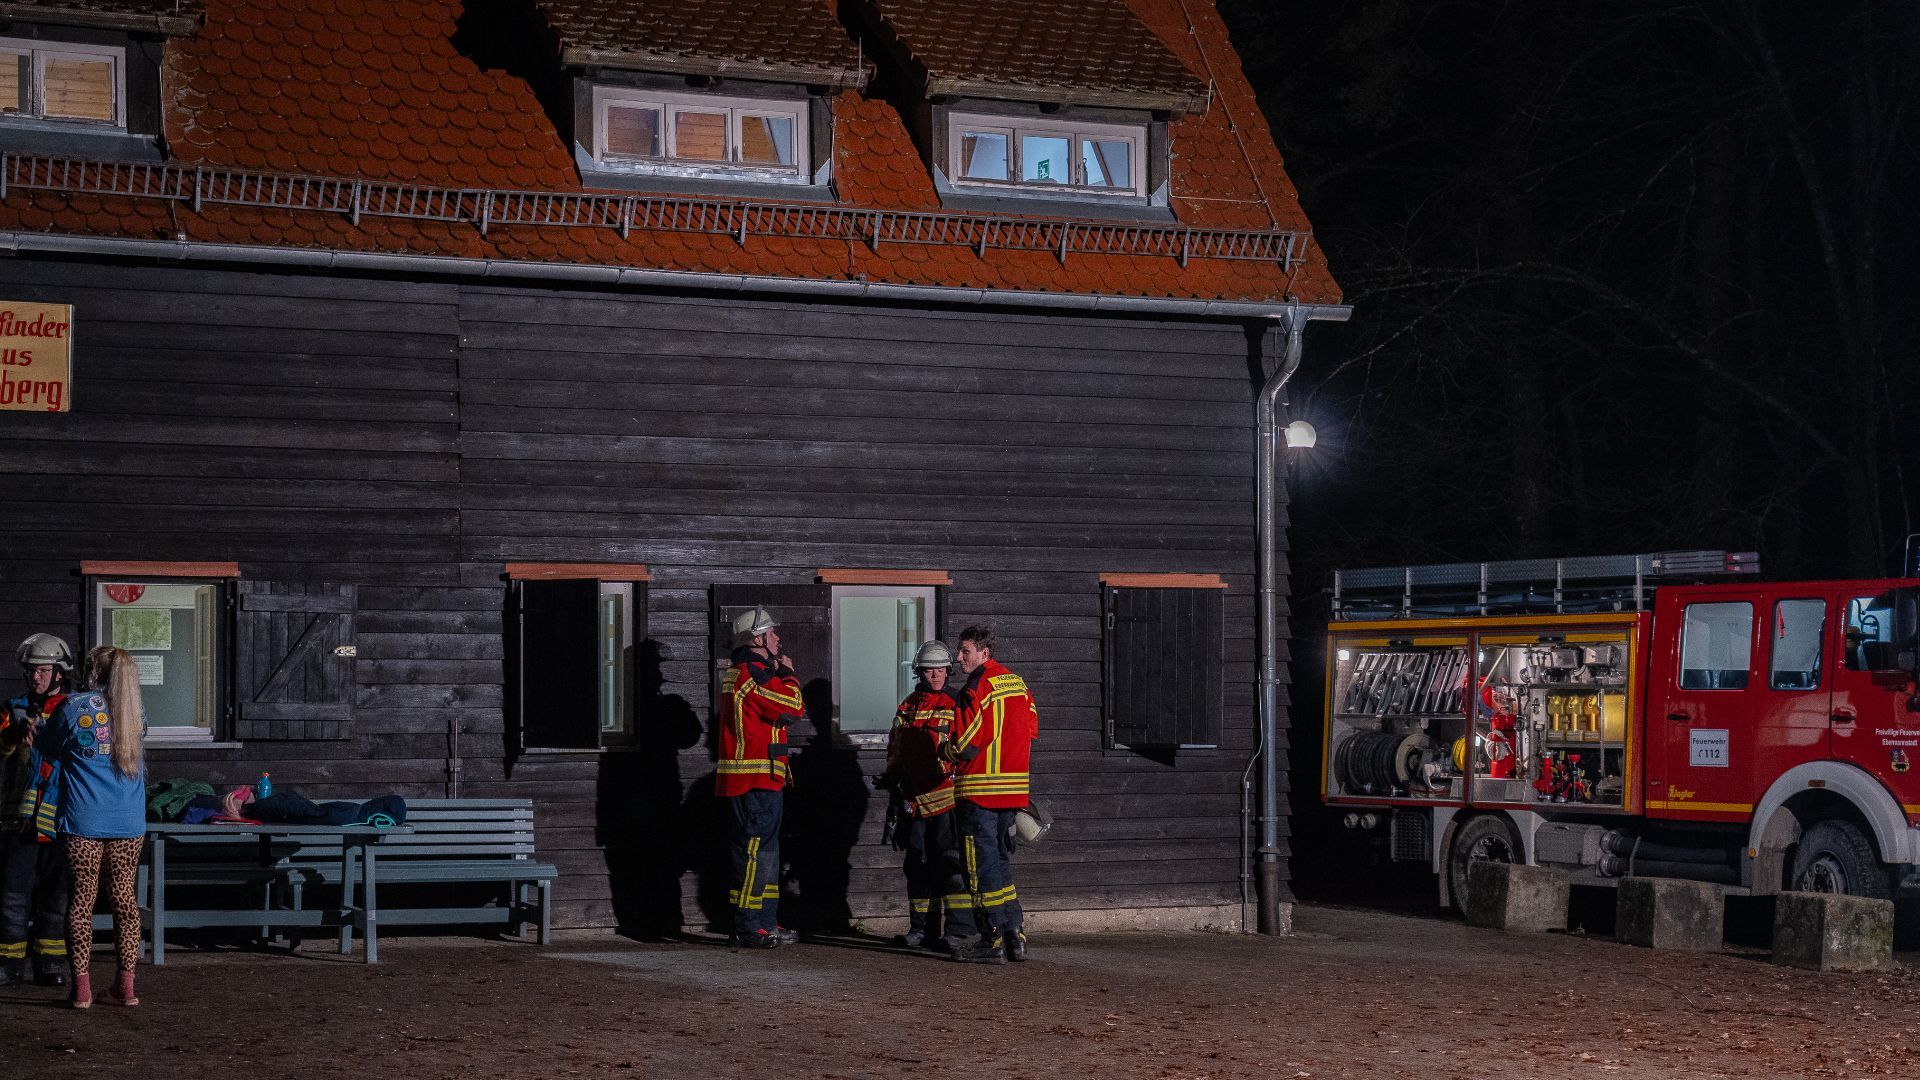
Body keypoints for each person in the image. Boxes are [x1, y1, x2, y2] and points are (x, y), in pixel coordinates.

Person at [34, 646, 146, 1007]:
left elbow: (47, 747)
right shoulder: (136, 710)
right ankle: (125, 987)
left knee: (82, 902)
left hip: (83, 819)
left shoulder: (73, 706)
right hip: (129, 820)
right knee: (125, 901)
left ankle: (81, 989)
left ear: (92, 673)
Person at [940, 626, 1038, 964]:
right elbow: (1031, 729)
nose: (958, 658)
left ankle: (991, 939)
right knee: (999, 863)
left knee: (978, 868)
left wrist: (944, 750)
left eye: (965, 651)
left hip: (979, 790)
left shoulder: (975, 687)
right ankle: (1015, 936)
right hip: (1012, 791)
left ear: (984, 652)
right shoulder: (1018, 684)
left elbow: (966, 745)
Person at [717, 606, 803, 948]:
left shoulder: (747, 673)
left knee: (766, 854)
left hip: (761, 780)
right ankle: (749, 926)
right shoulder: (752, 674)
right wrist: (789, 675)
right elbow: (793, 707)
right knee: (755, 853)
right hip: (754, 781)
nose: (777, 638)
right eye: (771, 633)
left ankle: (765, 923)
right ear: (757, 640)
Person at [0, 633, 75, 988]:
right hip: (20, 820)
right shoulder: (12, 709)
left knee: (57, 895)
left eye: (43, 670)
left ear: (60, 672)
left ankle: (49, 964)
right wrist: (13, 736)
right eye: (31, 670)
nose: (36, 677)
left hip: (61, 820)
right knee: (12, 894)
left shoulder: (76, 710)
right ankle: (9, 964)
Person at [878, 640, 959, 948]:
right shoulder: (908, 705)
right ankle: (922, 929)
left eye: (939, 669)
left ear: (948, 670)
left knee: (951, 864)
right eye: (928, 670)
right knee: (917, 865)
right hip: (914, 801)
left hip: (948, 798)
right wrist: (893, 779)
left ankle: (957, 931)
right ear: (919, 672)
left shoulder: (957, 703)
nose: (934, 675)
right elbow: (896, 745)